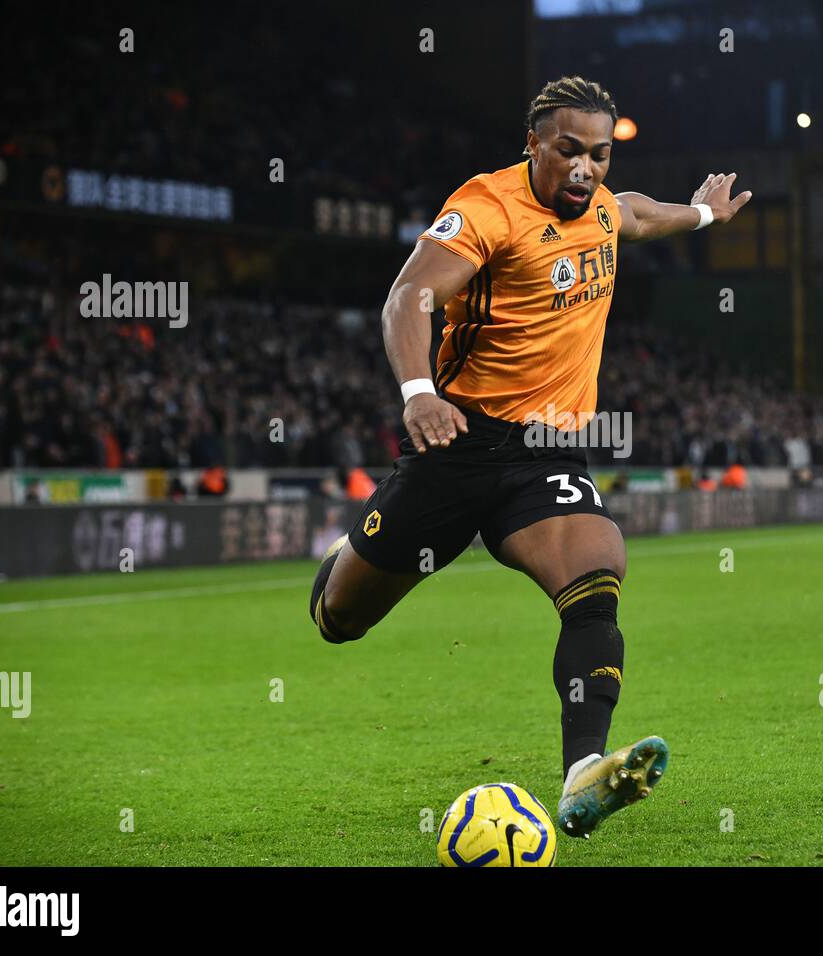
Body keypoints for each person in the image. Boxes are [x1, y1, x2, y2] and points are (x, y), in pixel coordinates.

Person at [309, 76, 751, 837]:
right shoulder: (486, 207)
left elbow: (637, 214)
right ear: (534, 145)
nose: (585, 169)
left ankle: (584, 770)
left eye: (600, 155)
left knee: (596, 572)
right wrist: (419, 392)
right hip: (456, 446)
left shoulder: (603, 205)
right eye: (569, 151)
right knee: (339, 619)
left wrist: (704, 212)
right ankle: (344, 557)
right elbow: (408, 297)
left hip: (547, 449)